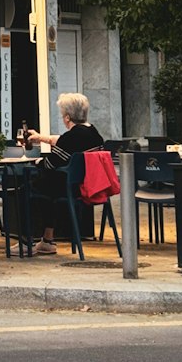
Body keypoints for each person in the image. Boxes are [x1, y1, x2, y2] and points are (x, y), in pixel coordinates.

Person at [26, 92, 104, 256]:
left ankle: (28, 241)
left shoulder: (72, 137)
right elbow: (63, 141)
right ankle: (47, 240)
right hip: (88, 185)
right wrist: (42, 138)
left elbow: (50, 163)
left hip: (72, 189)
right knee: (47, 187)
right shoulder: (93, 133)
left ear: (67, 117)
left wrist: (35, 161)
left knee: (30, 187)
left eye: (62, 115)